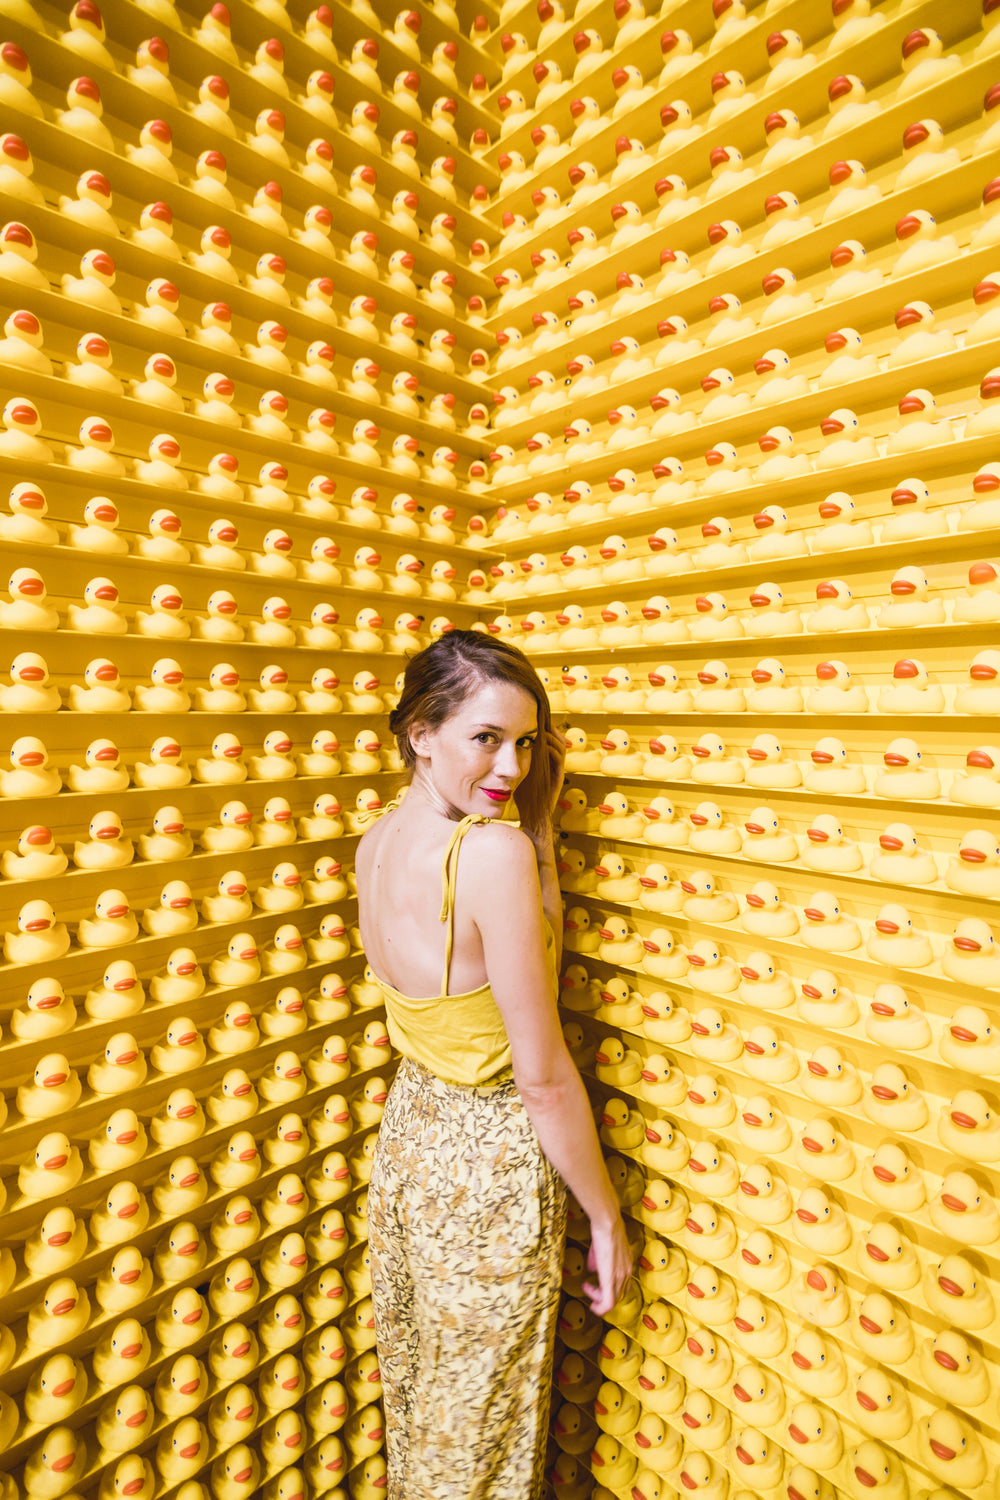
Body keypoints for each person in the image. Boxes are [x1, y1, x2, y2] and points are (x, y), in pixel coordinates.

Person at [355, 629, 632, 1498]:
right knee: (481, 1440)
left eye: (524, 742)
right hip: (488, 1175)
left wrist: (537, 828)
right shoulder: (493, 855)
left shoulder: (376, 842)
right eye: (485, 738)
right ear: (420, 734)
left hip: (408, 1150)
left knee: (426, 1411)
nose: (509, 765)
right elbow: (543, 1078)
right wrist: (607, 1217)